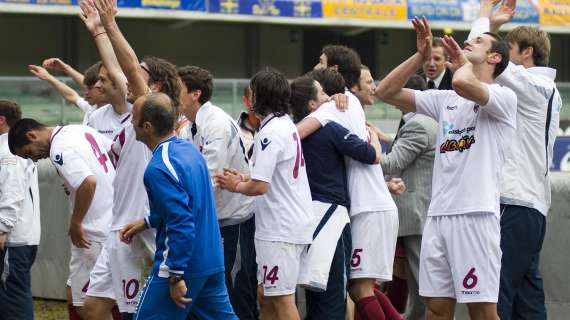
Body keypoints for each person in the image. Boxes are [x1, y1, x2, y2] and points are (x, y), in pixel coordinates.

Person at [376, 16, 517, 320]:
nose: (469, 41)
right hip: (438, 217)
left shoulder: (504, 97)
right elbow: (385, 92)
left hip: (475, 216)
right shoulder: (446, 100)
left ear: (494, 57)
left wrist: (460, 62)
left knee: (482, 310)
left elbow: (465, 82)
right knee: (437, 308)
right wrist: (420, 56)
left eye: (478, 41)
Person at [470, 1, 563, 319]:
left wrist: (485, 19)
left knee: (496, 296)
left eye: (508, 49)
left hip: (514, 202)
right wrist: (491, 27)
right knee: (528, 300)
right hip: (530, 205)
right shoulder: (541, 87)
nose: (501, 55)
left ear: (526, 52)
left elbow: (486, 57)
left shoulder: (535, 86)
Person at [299, 45, 400, 320]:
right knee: (360, 286)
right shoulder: (345, 103)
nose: (315, 65)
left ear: (332, 69)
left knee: (359, 288)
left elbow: (295, 134)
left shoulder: (333, 107)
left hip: (367, 206)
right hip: (371, 203)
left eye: (320, 62)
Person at [120, 92, 236, 319]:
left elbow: (181, 221)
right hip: (210, 258)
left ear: (147, 126)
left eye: (133, 118)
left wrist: (174, 274)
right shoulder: (189, 150)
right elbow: (191, 203)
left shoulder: (158, 168)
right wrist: (148, 222)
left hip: (183, 265)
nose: (130, 122)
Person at [216, 69, 315, 320]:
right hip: (288, 224)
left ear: (258, 97)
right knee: (266, 296)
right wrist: (243, 178)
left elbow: (261, 186)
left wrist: (235, 186)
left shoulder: (270, 133)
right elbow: (269, 176)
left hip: (280, 228)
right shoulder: (284, 126)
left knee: (282, 299)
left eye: (251, 93)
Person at [290, 73, 381, 319]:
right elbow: (370, 155)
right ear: (311, 104)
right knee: (333, 298)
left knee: (313, 298)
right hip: (331, 219)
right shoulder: (328, 128)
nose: (329, 97)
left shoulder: (287, 135)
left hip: (303, 220)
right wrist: (373, 138)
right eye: (322, 93)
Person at [8, 117, 115, 319]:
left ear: (32, 135)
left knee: (89, 307)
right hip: (109, 223)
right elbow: (114, 151)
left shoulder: (59, 149)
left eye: (29, 153)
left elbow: (88, 182)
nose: (35, 159)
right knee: (76, 298)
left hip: (95, 231)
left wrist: (75, 222)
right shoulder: (79, 130)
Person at [177, 65, 258, 319]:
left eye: (177, 89)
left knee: (234, 293)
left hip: (233, 220)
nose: (171, 94)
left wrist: (179, 214)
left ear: (195, 93)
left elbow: (208, 179)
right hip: (209, 219)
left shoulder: (217, 124)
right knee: (205, 296)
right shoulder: (186, 126)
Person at [379, 74, 437, 320]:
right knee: (420, 283)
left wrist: (365, 145)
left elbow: (392, 163)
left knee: (422, 286)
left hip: (415, 216)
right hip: (420, 214)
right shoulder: (428, 122)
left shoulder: (417, 125)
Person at [0, 100, 40, 320]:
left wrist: (2, 228)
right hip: (17, 238)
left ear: (1, 120)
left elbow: (11, 191)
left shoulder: (7, 148)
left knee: (12, 297)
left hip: (13, 240)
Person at [237, 85, 259, 159]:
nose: (260, 103)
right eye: (254, 99)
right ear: (245, 101)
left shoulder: (274, 130)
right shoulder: (234, 131)